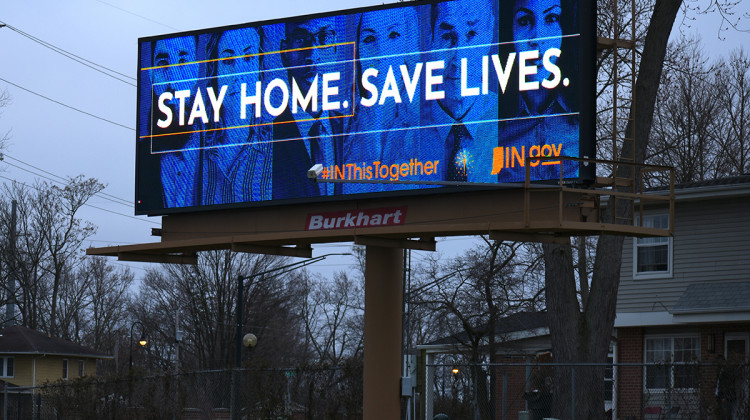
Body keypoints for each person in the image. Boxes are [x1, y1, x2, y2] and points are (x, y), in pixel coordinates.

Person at [498, 0, 578, 183]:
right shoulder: (489, 124)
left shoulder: (582, 118)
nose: (537, 39)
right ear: (508, 31)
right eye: (525, 21)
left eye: (551, 18)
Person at [344, 6, 422, 193]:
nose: (381, 53)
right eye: (369, 39)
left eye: (393, 35)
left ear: (408, 46)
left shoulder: (427, 126)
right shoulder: (342, 130)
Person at [421, 0, 499, 184]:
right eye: (447, 36)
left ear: (489, 34)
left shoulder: (510, 124)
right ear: (431, 38)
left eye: (472, 34)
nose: (458, 59)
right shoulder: (407, 132)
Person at [271, 17, 346, 200]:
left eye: (324, 38)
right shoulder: (269, 137)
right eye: (300, 40)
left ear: (335, 49)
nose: (312, 54)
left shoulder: (351, 130)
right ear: (284, 53)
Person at [203, 26, 272, 205]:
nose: (238, 74)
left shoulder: (278, 147)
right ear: (214, 71)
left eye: (249, 58)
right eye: (227, 61)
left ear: (259, 69)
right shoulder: (195, 152)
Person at [142, 35, 203, 209]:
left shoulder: (216, 154)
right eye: (163, 63)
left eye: (183, 61)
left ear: (196, 71)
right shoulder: (143, 158)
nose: (173, 79)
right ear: (152, 75)